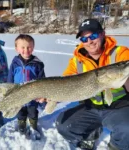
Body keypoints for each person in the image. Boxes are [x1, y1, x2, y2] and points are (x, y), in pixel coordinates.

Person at [54, 19, 129, 150]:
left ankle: (116, 146)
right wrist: (51, 96)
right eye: (84, 39)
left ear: (102, 34)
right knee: (63, 124)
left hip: (118, 106)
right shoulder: (76, 61)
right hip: (90, 107)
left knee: (127, 128)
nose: (89, 42)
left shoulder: (121, 53)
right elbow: (65, 83)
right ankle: (90, 138)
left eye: (93, 36)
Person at [7, 34, 46, 140]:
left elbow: (43, 80)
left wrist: (42, 93)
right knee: (20, 111)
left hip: (33, 95)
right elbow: (10, 78)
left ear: (33, 47)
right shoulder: (15, 63)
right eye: (23, 47)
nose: (26, 50)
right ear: (17, 49)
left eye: (29, 47)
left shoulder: (38, 64)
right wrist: (9, 91)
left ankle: (33, 124)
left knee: (33, 111)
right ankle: (21, 124)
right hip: (18, 94)